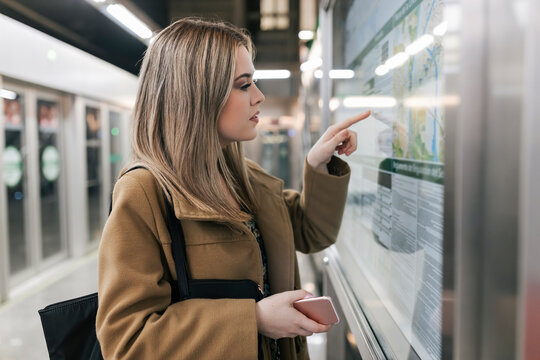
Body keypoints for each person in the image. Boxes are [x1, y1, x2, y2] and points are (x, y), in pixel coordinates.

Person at [96, 17, 370, 359]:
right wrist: (252, 319)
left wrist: (317, 165)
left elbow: (310, 232)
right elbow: (127, 341)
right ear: (197, 94)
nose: (259, 96)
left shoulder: (244, 177)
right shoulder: (144, 191)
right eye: (243, 85)